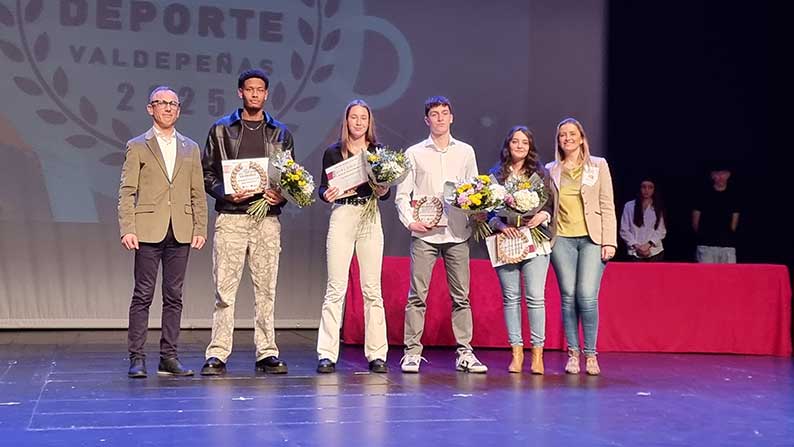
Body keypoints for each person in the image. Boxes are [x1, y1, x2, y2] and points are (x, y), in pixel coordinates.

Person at [200, 69, 294, 376]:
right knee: (224, 291)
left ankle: (267, 352)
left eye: (260, 90)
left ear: (266, 94)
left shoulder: (280, 132)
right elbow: (207, 174)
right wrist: (229, 193)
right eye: (249, 90)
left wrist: (281, 196)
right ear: (240, 93)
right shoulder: (220, 129)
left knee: (266, 290)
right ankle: (217, 352)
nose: (254, 94)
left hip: (267, 220)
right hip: (231, 219)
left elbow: (289, 177)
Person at [118, 86, 208, 378]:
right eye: (162, 103)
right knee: (143, 294)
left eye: (173, 104)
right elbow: (127, 191)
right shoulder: (138, 145)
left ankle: (169, 357)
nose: (168, 108)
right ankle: (137, 357)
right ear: (150, 108)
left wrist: (200, 227)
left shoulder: (190, 147)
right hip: (147, 230)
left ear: (179, 110)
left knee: (174, 296)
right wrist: (127, 228)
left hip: (180, 230)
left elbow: (198, 192)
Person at [394, 96, 487, 374]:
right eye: (434, 114)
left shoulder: (465, 152)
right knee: (417, 295)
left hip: (457, 233)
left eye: (445, 113)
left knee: (461, 297)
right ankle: (411, 351)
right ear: (427, 120)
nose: (440, 118)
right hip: (425, 235)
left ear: (452, 117)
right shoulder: (414, 153)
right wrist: (411, 222)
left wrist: (477, 209)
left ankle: (465, 352)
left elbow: (474, 190)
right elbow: (402, 195)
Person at [315, 100, 390, 374]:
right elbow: (323, 188)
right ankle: (326, 353)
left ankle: (377, 353)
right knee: (336, 288)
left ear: (369, 123)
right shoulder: (333, 152)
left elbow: (386, 192)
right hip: (343, 215)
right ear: (346, 121)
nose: (358, 123)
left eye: (363, 118)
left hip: (369, 217)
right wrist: (327, 194)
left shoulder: (378, 152)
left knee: (372, 289)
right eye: (354, 118)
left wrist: (382, 189)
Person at [546, 117, 616, 376]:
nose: (567, 138)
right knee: (567, 297)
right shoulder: (551, 169)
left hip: (592, 239)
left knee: (586, 296)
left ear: (582, 137)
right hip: (561, 239)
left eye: (572, 133)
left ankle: (591, 353)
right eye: (563, 134)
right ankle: (573, 353)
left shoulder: (598, 165)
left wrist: (610, 240)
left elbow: (607, 204)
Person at [488, 126, 554, 374]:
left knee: (535, 298)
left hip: (534, 239)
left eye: (524, 142)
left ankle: (537, 354)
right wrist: (500, 225)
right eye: (515, 141)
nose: (519, 146)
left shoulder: (541, 174)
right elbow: (489, 211)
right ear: (508, 145)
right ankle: (516, 353)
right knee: (511, 298)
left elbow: (550, 204)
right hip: (506, 240)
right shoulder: (496, 174)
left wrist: (543, 215)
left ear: (530, 147)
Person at [692, 166, 739, 263]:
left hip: (727, 246)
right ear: (712, 176)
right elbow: (695, 222)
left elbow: (734, 223)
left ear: (728, 175)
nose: (721, 177)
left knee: (728, 276)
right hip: (706, 245)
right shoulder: (702, 194)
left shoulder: (734, 196)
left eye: (724, 173)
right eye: (717, 174)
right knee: (706, 277)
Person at [619, 178, 667, 261]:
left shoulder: (658, 206)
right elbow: (624, 230)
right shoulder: (629, 206)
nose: (646, 190)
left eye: (650, 187)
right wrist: (637, 246)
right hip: (635, 252)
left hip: (655, 252)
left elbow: (661, 230)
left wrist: (648, 245)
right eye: (644, 187)